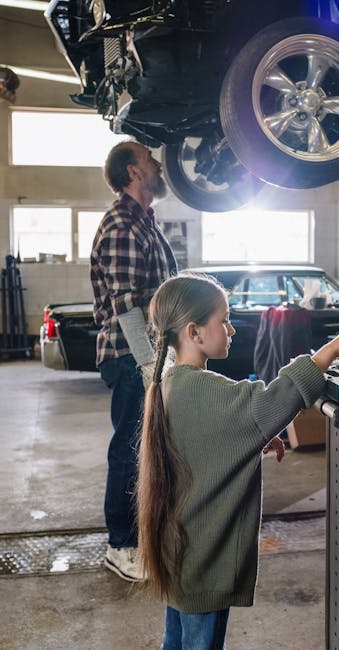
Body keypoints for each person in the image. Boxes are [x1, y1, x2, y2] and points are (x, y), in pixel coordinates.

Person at [136, 273, 339, 649]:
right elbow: (270, 403)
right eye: (224, 319)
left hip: (179, 553)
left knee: (176, 641)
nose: (231, 329)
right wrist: (327, 354)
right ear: (194, 332)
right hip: (204, 557)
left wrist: (248, 442)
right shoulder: (204, 389)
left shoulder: (171, 384)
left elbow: (201, 442)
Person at [90, 140, 177, 582]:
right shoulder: (123, 225)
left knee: (149, 452)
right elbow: (127, 310)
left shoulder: (145, 222)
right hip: (130, 357)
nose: (157, 162)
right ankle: (120, 545)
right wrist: (150, 367)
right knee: (129, 451)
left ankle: (142, 536)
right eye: (148, 158)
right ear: (132, 172)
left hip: (148, 356)